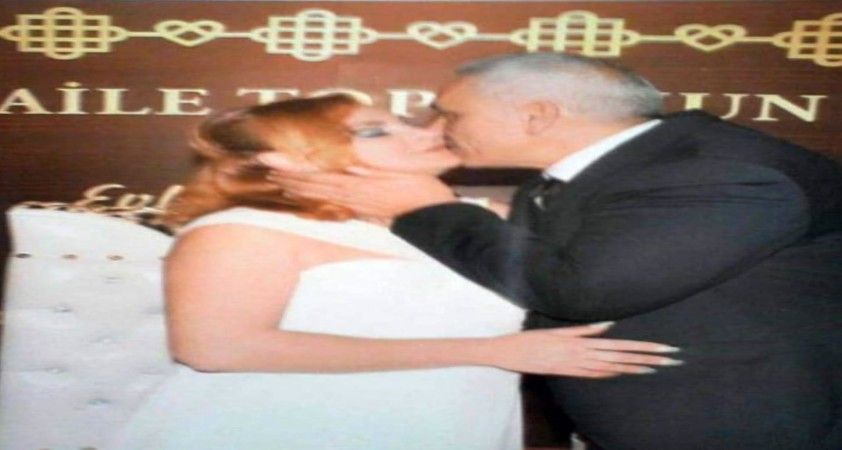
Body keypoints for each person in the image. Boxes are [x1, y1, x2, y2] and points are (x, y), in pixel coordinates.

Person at [265, 53, 842, 450]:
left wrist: (425, 208)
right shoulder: (571, 181)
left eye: (450, 113)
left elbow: (580, 290)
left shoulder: (718, 172)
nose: (435, 128)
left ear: (538, 115)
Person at [108, 94, 679, 450]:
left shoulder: (484, 220)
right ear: (287, 160)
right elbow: (216, 348)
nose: (428, 132)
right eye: (376, 131)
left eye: (406, 120)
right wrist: (491, 351)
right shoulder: (242, 229)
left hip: (447, 427)